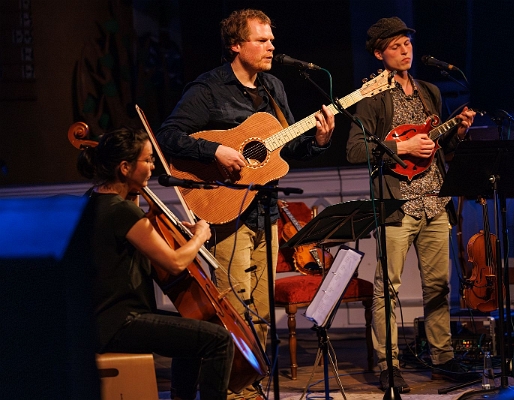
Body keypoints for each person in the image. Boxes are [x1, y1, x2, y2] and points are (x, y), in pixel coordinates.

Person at [156, 9, 334, 400]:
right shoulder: (208, 89)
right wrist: (215, 150)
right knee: (234, 304)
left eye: (272, 39)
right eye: (262, 40)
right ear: (236, 45)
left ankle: (249, 385)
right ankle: (229, 392)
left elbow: (286, 148)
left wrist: (318, 141)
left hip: (265, 210)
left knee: (263, 310)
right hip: (224, 211)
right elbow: (168, 136)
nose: (271, 46)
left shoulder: (274, 87)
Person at [346, 17, 479, 393]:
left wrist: (459, 131)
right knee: (387, 287)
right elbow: (355, 150)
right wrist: (401, 146)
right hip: (397, 204)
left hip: (435, 201)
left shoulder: (429, 91)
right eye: (395, 46)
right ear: (379, 54)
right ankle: (389, 364)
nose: (405, 51)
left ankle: (443, 359)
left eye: (406, 43)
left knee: (438, 286)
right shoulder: (371, 98)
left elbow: (442, 149)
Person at [76, 127, 234, 400]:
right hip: (122, 324)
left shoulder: (92, 199)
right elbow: (174, 263)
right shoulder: (121, 211)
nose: (152, 167)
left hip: (97, 321)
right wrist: (199, 235)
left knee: (191, 330)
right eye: (147, 160)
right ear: (125, 167)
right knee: (219, 340)